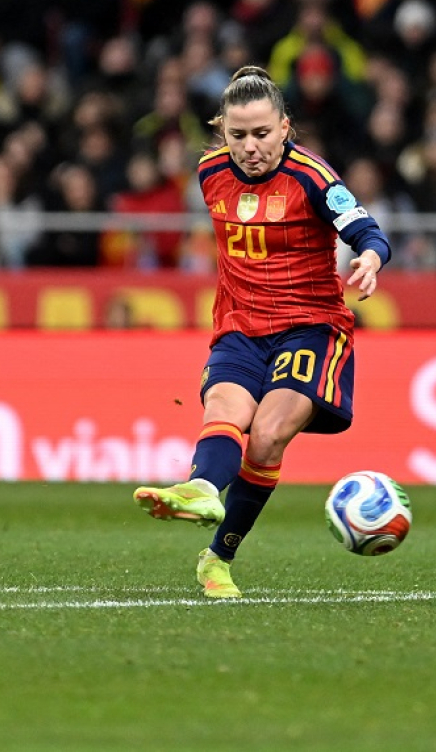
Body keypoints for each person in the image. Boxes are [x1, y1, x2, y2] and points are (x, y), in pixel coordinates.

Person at [132, 66, 390, 599]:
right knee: (225, 409)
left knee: (268, 435)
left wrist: (369, 256)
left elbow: (365, 228)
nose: (250, 147)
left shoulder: (312, 177)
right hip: (239, 326)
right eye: (238, 135)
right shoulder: (208, 174)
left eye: (262, 134)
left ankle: (218, 557)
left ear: (285, 128)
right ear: (221, 131)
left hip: (310, 328)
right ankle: (201, 489)